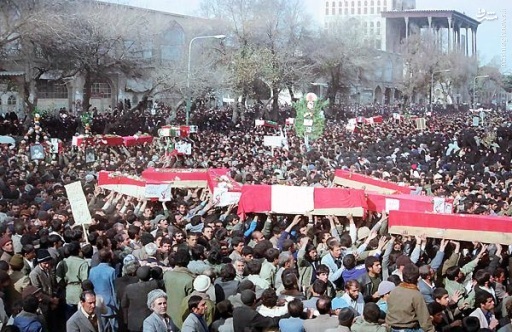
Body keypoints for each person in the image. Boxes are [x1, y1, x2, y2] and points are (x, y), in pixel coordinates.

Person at [385, 263, 434, 332]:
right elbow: (424, 320)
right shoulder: (416, 295)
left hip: (392, 328)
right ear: (418, 278)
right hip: (409, 329)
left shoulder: (394, 291)